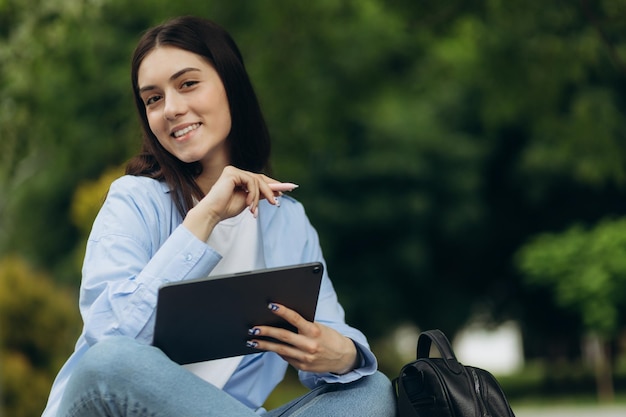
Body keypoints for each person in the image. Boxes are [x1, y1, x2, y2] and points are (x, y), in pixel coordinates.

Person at [42, 15, 396, 417]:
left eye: (188, 83)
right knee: (111, 362)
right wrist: (203, 219)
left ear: (231, 85)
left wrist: (342, 353)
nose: (172, 108)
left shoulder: (288, 219)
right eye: (153, 99)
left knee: (369, 390)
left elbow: (331, 331)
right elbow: (112, 339)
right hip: (115, 406)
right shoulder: (133, 199)